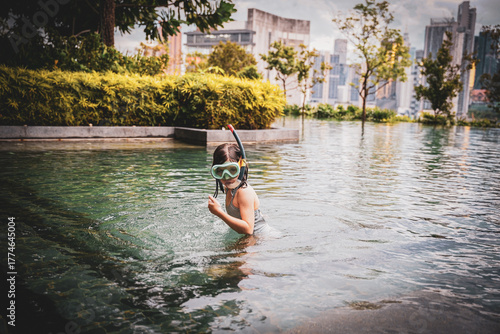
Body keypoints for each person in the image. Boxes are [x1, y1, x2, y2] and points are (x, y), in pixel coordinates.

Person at [207, 143, 268, 235]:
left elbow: (248, 230)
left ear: (241, 167)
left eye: (232, 170)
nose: (226, 177)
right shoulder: (230, 188)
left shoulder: (244, 192)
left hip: (259, 238)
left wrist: (219, 212)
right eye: (220, 171)